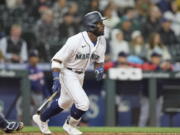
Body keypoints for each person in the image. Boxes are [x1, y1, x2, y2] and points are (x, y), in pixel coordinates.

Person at [33, 11, 106, 135]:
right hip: (68, 72)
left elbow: (99, 60)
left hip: (80, 74)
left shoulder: (102, 41)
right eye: (100, 23)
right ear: (91, 25)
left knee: (64, 102)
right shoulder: (75, 40)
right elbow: (56, 60)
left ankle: (41, 119)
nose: (103, 25)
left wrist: (99, 69)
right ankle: (69, 125)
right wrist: (56, 79)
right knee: (83, 104)